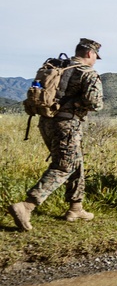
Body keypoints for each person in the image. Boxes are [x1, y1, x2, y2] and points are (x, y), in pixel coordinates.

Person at [9, 38, 104, 232]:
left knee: (76, 162)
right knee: (64, 166)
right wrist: (78, 106)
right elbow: (95, 103)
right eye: (95, 56)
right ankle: (27, 205)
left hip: (47, 121)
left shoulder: (59, 67)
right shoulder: (87, 72)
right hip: (67, 124)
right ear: (89, 54)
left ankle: (75, 208)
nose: (95, 60)